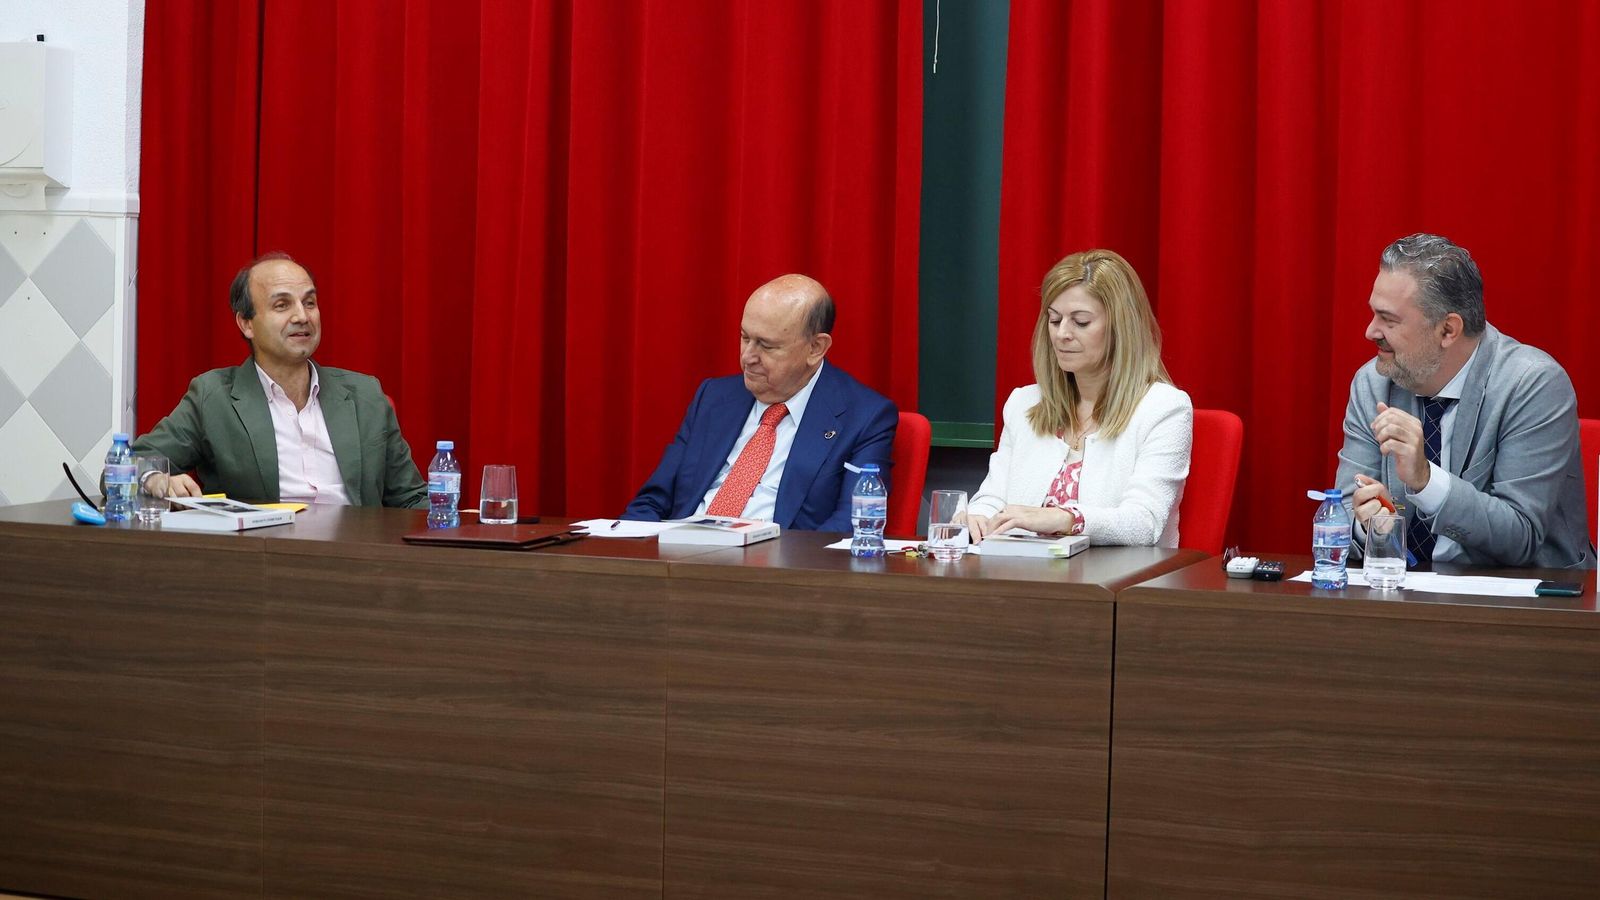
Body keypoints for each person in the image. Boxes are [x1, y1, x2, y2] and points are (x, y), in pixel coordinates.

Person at [1336, 233, 1593, 568]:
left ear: (1448, 330)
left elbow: (1521, 536)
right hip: (1401, 590)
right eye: (1374, 314)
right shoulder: (1374, 382)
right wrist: (1368, 525)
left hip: (1524, 592)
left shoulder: (1533, 384)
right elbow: (1343, 513)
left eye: (1389, 319)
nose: (1370, 331)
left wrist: (1426, 481)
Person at [126, 252, 428, 508]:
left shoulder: (365, 395)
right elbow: (128, 464)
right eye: (282, 305)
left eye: (309, 303)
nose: (302, 316)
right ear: (246, 323)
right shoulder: (213, 397)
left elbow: (412, 499)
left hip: (354, 553)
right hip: (262, 553)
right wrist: (154, 479)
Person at [624, 273, 897, 531]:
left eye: (766, 346)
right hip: (683, 550)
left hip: (778, 559)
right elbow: (652, 502)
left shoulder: (865, 417)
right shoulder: (713, 397)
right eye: (745, 338)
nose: (748, 357)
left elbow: (853, 524)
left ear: (816, 348)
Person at [966, 250, 1192, 546]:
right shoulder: (1023, 404)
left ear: (1121, 328)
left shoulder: (1164, 408)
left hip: (1117, 575)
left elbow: (1144, 523)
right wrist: (975, 516)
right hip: (1019, 570)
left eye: (1081, 322)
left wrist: (1066, 518)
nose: (1062, 334)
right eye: (1054, 320)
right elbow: (992, 499)